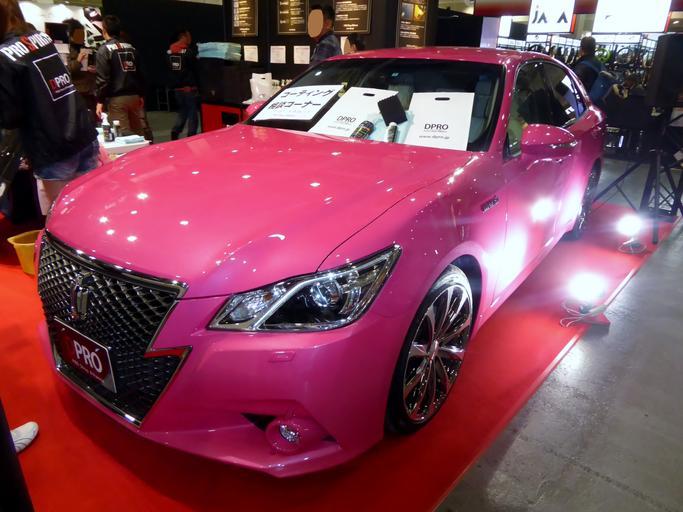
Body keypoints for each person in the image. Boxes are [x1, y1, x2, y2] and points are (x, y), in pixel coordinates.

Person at [0, 0, 99, 203]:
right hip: (82, 132)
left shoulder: (3, 56)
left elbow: (9, 116)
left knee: (62, 213)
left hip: (52, 145)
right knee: (91, 204)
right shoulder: (41, 38)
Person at [95, 15, 153, 141]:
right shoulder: (132, 48)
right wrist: (141, 95)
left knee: (124, 137)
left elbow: (103, 79)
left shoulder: (103, 50)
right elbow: (141, 74)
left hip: (117, 100)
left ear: (104, 30)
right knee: (139, 135)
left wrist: (100, 101)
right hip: (134, 97)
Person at [167, 28, 199, 140]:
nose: (190, 39)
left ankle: (175, 131)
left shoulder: (169, 52)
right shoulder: (188, 52)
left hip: (177, 89)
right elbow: (195, 69)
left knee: (183, 111)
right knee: (192, 113)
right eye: (188, 36)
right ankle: (191, 136)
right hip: (189, 88)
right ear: (183, 36)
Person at [64, 18, 97, 121]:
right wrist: (78, 60)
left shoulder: (86, 48)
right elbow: (66, 70)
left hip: (89, 92)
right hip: (75, 93)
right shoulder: (64, 50)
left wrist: (93, 69)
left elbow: (94, 67)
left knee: (91, 121)